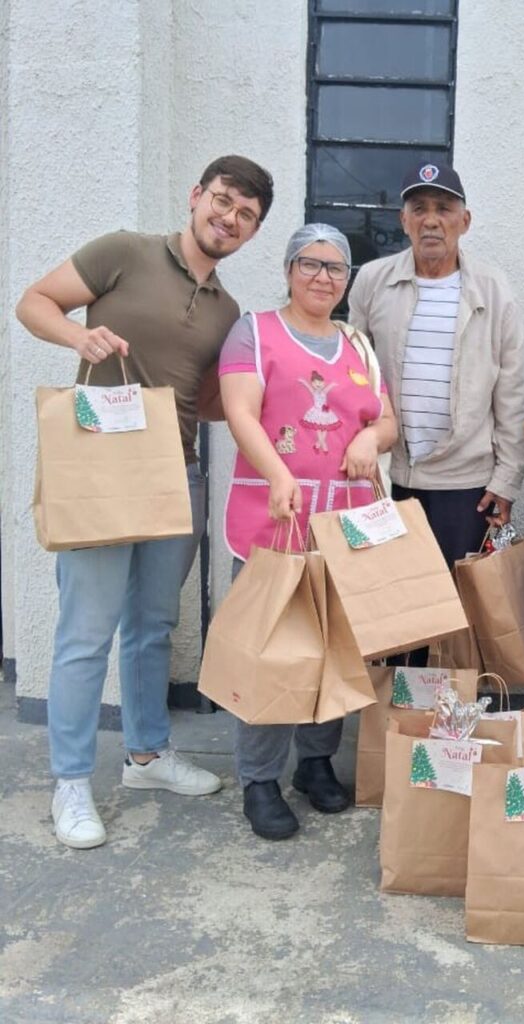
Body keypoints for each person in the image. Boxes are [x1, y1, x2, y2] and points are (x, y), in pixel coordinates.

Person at [16, 155, 274, 850]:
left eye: (245, 215)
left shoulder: (227, 311)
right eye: (222, 202)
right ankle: (72, 781)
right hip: (99, 468)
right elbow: (33, 302)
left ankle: (147, 757)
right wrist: (79, 333)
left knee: (154, 625)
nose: (228, 218)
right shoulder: (123, 251)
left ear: (251, 233)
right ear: (197, 197)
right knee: (85, 633)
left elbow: (216, 404)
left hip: (177, 475)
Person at [219, 223, 397, 840]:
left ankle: (315, 761)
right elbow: (240, 411)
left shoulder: (358, 346)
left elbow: (387, 422)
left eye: (335, 268)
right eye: (310, 264)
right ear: (290, 269)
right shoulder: (255, 332)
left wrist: (371, 439)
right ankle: (260, 778)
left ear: (347, 280)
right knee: (271, 647)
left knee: (335, 648)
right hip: (278, 517)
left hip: (343, 522)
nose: (323, 277)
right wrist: (276, 474)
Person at [347, 162, 524, 580]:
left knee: (457, 605)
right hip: (388, 475)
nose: (431, 220)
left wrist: (507, 479)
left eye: (444, 209)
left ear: (464, 221)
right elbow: (352, 375)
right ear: (403, 219)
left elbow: (512, 392)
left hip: (466, 483)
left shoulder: (493, 289)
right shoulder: (373, 281)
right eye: (420, 208)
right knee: (390, 601)